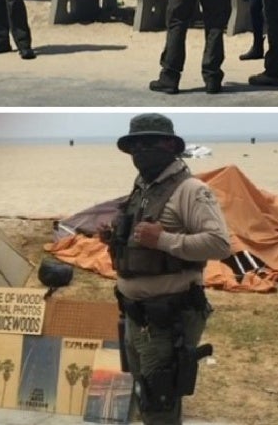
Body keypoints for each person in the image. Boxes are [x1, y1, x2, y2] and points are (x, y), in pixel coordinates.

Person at [104, 113, 231, 425]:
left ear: (171, 146)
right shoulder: (143, 189)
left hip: (168, 315)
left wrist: (164, 240)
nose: (142, 150)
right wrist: (114, 239)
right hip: (135, 314)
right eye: (136, 144)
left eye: (150, 142)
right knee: (144, 395)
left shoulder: (191, 189)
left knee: (159, 401)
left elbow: (219, 244)